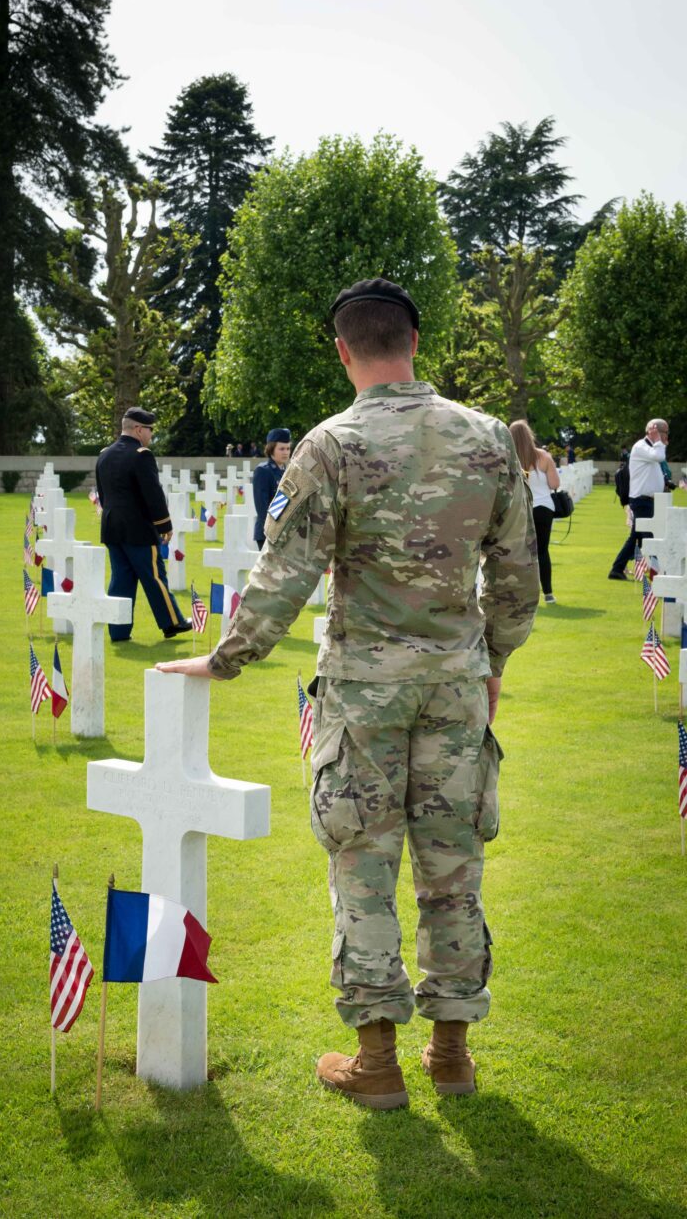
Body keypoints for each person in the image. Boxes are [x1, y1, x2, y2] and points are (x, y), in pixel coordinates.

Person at [156, 278, 538, 1108]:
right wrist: (494, 661)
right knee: (453, 869)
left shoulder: (330, 444)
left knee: (364, 866)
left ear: (343, 350)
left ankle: (376, 1064)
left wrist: (226, 657)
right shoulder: (485, 438)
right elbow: (517, 576)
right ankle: (451, 1054)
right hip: (457, 687)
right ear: (412, 340)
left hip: (365, 692)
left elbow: (284, 572)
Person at [95, 407, 191, 641]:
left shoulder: (104, 454)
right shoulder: (141, 454)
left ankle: (118, 631)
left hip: (112, 527)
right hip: (138, 529)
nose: (151, 435)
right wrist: (164, 525)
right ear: (138, 429)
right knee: (154, 576)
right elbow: (153, 494)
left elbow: (102, 493)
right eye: (149, 430)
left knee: (121, 579)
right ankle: (172, 622)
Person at [609, 418, 669, 580]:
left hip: (646, 500)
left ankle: (617, 569)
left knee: (636, 537)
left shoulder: (650, 448)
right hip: (641, 500)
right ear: (653, 431)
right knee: (649, 537)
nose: (666, 437)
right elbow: (659, 457)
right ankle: (656, 572)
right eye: (664, 432)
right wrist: (658, 441)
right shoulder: (641, 446)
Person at [510, 421, 561, 605]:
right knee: (542, 551)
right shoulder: (544, 457)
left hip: (521, 508)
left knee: (521, 552)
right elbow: (555, 484)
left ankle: (523, 593)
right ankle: (548, 593)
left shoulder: (510, 457)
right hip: (544, 508)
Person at [252, 427, 292, 549]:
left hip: (285, 532)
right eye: (281, 449)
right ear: (271, 449)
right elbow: (262, 507)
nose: (286, 452)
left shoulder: (288, 472)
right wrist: (274, 530)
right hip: (268, 533)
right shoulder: (263, 470)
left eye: (288, 448)